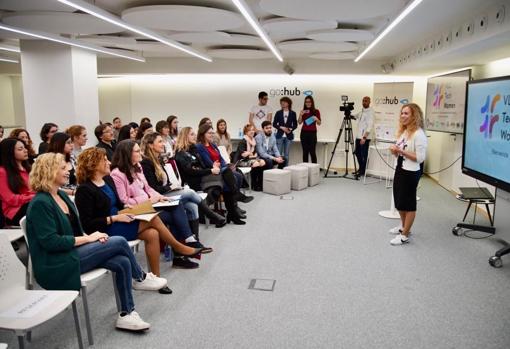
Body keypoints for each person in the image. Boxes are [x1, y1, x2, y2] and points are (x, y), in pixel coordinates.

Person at [26, 153, 167, 331]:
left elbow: (74, 230)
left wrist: (89, 238)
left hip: (70, 252)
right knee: (119, 242)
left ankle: (127, 314)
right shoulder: (40, 203)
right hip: (55, 263)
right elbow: (51, 243)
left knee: (122, 261)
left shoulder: (60, 195)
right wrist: (88, 238)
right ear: (48, 171)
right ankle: (140, 277)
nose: (68, 170)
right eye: (62, 168)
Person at [75, 148, 201, 284]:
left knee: (152, 233)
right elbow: (87, 225)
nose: (109, 162)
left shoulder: (108, 180)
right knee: (153, 218)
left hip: (120, 217)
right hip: (105, 229)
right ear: (93, 164)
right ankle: (178, 247)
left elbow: (117, 204)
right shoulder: (84, 190)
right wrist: (115, 218)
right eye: (104, 160)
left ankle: (155, 278)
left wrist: (125, 209)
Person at [110, 140, 211, 266]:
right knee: (177, 212)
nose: (141, 152)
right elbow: (124, 201)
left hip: (149, 205)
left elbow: (148, 188)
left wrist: (160, 197)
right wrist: (149, 200)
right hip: (135, 210)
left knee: (176, 206)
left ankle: (184, 247)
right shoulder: (117, 174)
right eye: (137, 151)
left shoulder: (137, 167)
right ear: (127, 154)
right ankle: (185, 246)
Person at [140, 132, 226, 231]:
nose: (163, 144)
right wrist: (170, 188)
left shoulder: (158, 160)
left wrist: (172, 187)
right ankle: (212, 215)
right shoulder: (146, 164)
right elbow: (153, 188)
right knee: (190, 192)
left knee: (192, 206)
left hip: (167, 192)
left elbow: (166, 181)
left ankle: (193, 239)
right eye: (160, 142)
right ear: (150, 145)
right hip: (160, 196)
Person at [175, 127, 247, 225]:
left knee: (227, 177)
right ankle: (234, 206)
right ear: (184, 136)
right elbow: (191, 172)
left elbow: (200, 166)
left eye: (194, 134)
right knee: (226, 173)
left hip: (203, 176)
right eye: (192, 134)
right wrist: (210, 170)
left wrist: (211, 168)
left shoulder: (193, 149)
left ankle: (232, 213)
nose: (194, 136)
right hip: (196, 181)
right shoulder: (181, 153)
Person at [389, 103, 428, 246]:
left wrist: (400, 151)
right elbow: (400, 149)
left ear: (414, 116)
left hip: (411, 172)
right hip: (400, 168)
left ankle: (405, 234)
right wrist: (395, 151)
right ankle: (403, 226)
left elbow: (420, 157)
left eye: (406, 113)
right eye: (402, 113)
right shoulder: (405, 132)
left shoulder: (419, 134)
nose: (403, 116)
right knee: (399, 200)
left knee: (409, 203)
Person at [0, 138, 35, 226]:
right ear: (10, 152)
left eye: (25, 148)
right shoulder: (2, 172)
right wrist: (34, 197)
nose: (25, 150)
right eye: (20, 149)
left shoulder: (28, 168)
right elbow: (11, 199)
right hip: (14, 211)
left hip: (30, 204)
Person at [233, 124, 266, 191]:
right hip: (240, 161)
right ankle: (254, 185)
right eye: (249, 130)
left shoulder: (253, 141)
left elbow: (255, 153)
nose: (252, 131)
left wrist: (250, 153)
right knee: (256, 163)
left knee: (263, 162)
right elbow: (243, 155)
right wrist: (251, 154)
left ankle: (259, 184)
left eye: (253, 130)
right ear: (245, 132)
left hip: (250, 159)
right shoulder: (243, 141)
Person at [273, 96, 297, 163]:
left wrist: (290, 129)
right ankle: (278, 171)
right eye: (281, 103)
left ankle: (285, 170)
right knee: (278, 155)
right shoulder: (278, 113)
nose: (282, 104)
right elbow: (274, 124)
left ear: (288, 103)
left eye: (284, 102)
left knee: (286, 155)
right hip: (279, 136)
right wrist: (281, 127)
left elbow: (295, 125)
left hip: (289, 136)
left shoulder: (293, 113)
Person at [354, 96, 374, 176]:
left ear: (369, 102)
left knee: (363, 155)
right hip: (358, 136)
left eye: (366, 101)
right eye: (363, 101)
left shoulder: (370, 112)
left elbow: (370, 126)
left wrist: (364, 137)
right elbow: (356, 116)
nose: (364, 102)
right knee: (357, 153)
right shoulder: (362, 111)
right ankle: (361, 168)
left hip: (364, 138)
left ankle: (363, 171)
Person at [298, 96, 321, 163]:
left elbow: (319, 123)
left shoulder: (316, 111)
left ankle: (314, 169)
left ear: (312, 102)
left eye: (309, 102)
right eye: (306, 102)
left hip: (312, 133)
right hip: (304, 133)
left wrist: (316, 119)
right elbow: (299, 122)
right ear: (304, 103)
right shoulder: (303, 111)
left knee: (312, 152)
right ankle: (305, 170)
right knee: (305, 152)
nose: (308, 103)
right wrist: (300, 115)